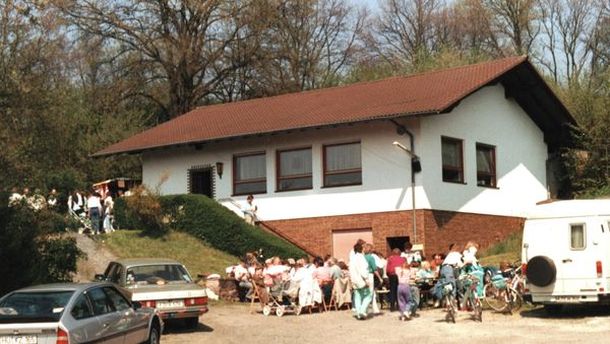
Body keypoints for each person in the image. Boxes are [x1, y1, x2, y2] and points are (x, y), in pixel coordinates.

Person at [349, 242, 372, 320]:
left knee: (357, 296)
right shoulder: (361, 258)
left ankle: (359, 313)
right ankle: (362, 310)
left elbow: (350, 270)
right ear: (362, 249)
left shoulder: (352, 258)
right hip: (361, 279)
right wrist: (366, 279)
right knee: (369, 295)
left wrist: (352, 281)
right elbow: (363, 270)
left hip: (354, 280)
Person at [364, 243, 381, 315]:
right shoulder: (371, 258)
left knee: (371, 292)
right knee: (370, 292)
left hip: (363, 275)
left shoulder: (363, 257)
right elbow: (374, 269)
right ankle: (364, 309)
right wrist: (380, 278)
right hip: (370, 275)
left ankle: (375, 309)